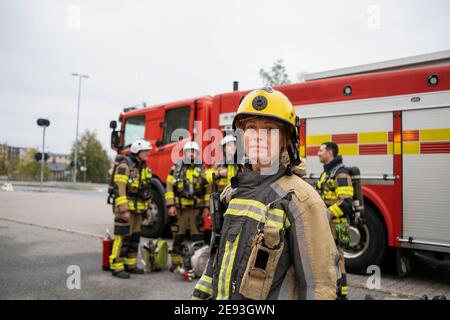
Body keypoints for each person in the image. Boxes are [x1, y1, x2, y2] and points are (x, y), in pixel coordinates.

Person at [192, 87, 338, 300]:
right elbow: (214, 266)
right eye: (251, 128)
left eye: (269, 130)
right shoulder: (233, 193)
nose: (258, 137)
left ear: (285, 140)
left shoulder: (301, 200)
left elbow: (318, 288)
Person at [109, 139, 153, 279]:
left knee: (134, 237)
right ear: (137, 152)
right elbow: (119, 189)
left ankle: (130, 264)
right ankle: (116, 266)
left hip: (138, 210)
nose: (148, 154)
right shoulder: (125, 165)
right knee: (122, 238)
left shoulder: (143, 167)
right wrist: (123, 209)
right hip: (126, 209)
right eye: (145, 151)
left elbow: (146, 188)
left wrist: (147, 207)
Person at [316, 142, 354, 300]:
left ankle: (341, 295)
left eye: (321, 150)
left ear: (329, 152)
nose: (318, 153)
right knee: (330, 258)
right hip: (330, 224)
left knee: (338, 259)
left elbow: (346, 203)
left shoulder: (341, 173)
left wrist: (326, 214)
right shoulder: (327, 173)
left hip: (339, 225)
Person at [165, 141, 210, 272]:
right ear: (184, 153)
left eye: (193, 152)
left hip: (196, 210)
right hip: (180, 210)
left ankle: (197, 264)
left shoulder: (201, 169)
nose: (191, 154)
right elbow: (169, 187)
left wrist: (206, 207)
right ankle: (175, 264)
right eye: (189, 151)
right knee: (178, 236)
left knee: (198, 238)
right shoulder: (176, 168)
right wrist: (170, 205)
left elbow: (207, 190)